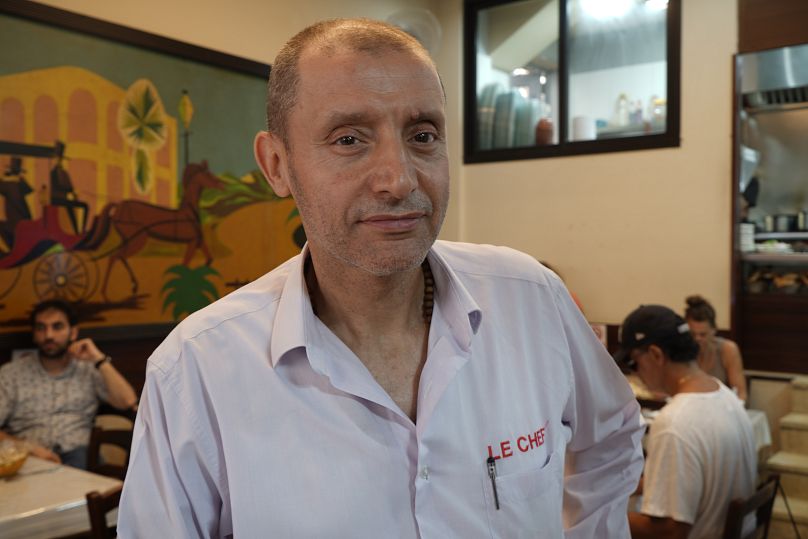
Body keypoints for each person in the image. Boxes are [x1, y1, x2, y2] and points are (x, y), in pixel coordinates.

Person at [118, 18, 644, 537]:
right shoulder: (196, 371)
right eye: (349, 139)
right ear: (277, 165)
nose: (399, 179)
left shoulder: (530, 300)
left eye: (422, 135)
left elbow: (612, 438)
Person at [615, 305, 756, 539]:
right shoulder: (723, 395)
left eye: (633, 363)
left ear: (656, 355)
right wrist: (627, 486)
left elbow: (669, 532)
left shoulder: (674, 423)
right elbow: (698, 476)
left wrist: (602, 516)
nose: (636, 374)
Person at [0, 300, 138, 468]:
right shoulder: (11, 374)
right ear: (34, 334)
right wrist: (29, 448)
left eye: (57, 327)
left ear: (73, 333)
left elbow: (128, 401)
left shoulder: (88, 369)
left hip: (81, 454)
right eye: (41, 328)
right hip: (30, 458)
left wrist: (99, 359)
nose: (49, 335)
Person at [684, 294, 747, 402]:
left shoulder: (728, 349)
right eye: (692, 334)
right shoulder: (681, 351)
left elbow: (741, 393)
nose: (697, 339)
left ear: (714, 330)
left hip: (722, 408)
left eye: (703, 334)